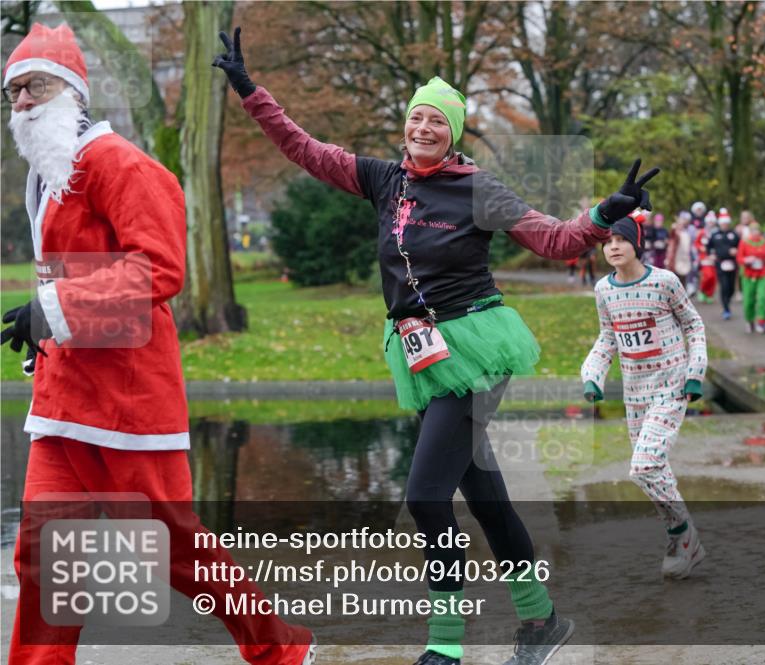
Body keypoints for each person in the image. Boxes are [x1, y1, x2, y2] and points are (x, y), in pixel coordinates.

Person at [214, 27, 661, 665]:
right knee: (483, 494)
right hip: (422, 353)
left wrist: (601, 213)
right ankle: (541, 622)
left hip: (475, 350)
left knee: (426, 495)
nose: (424, 127)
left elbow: (555, 239)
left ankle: (445, 646)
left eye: (437, 120)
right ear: (406, 126)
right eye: (417, 117)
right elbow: (304, 148)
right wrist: (250, 92)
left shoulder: (478, 190)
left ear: (452, 133)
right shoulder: (382, 179)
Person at [1, 23, 316, 665]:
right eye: (12, 94)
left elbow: (160, 268)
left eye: (33, 88)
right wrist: (43, 330)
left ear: (71, 91)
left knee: (174, 549)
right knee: (43, 549)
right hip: (64, 400)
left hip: (128, 404)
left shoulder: (121, 164)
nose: (22, 104)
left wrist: (54, 307)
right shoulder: (50, 174)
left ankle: (281, 647)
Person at [581, 215, 708, 579]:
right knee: (650, 472)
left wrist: (694, 373)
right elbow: (608, 336)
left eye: (620, 240)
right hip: (635, 394)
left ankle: (680, 532)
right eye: (607, 242)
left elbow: (694, 325)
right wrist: (592, 376)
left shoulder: (665, 282)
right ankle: (684, 539)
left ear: (637, 243)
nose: (613, 247)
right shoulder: (604, 289)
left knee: (645, 465)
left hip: (671, 386)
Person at [737, 221, 765, 333]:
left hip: (763, 274)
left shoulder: (764, 241)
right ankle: (749, 320)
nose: (756, 232)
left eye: (757, 230)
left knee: (762, 298)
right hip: (748, 275)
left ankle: (762, 322)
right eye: (753, 230)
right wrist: (747, 260)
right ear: (750, 231)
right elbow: (739, 258)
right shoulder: (744, 242)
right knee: (748, 300)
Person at [707, 209, 740, 320]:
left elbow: (740, 247)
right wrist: (711, 255)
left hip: (732, 264)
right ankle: (726, 309)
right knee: (724, 286)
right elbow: (709, 247)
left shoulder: (734, 234)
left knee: (731, 288)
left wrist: (736, 251)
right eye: (723, 223)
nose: (724, 224)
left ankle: (728, 301)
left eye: (726, 223)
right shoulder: (715, 235)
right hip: (720, 264)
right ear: (720, 223)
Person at [694, 211, 718, 303]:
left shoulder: (716, 232)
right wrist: (701, 247)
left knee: (713, 278)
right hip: (704, 257)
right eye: (709, 221)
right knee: (708, 276)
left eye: (712, 221)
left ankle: (709, 295)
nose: (711, 223)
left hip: (714, 257)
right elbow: (696, 243)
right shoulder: (702, 232)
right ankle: (702, 290)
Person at [665, 211, 693, 288]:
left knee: (683, 282)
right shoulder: (675, 234)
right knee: (674, 283)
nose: (680, 226)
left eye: (682, 224)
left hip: (684, 260)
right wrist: (674, 229)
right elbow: (673, 235)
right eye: (679, 224)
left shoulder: (686, 234)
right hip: (674, 260)